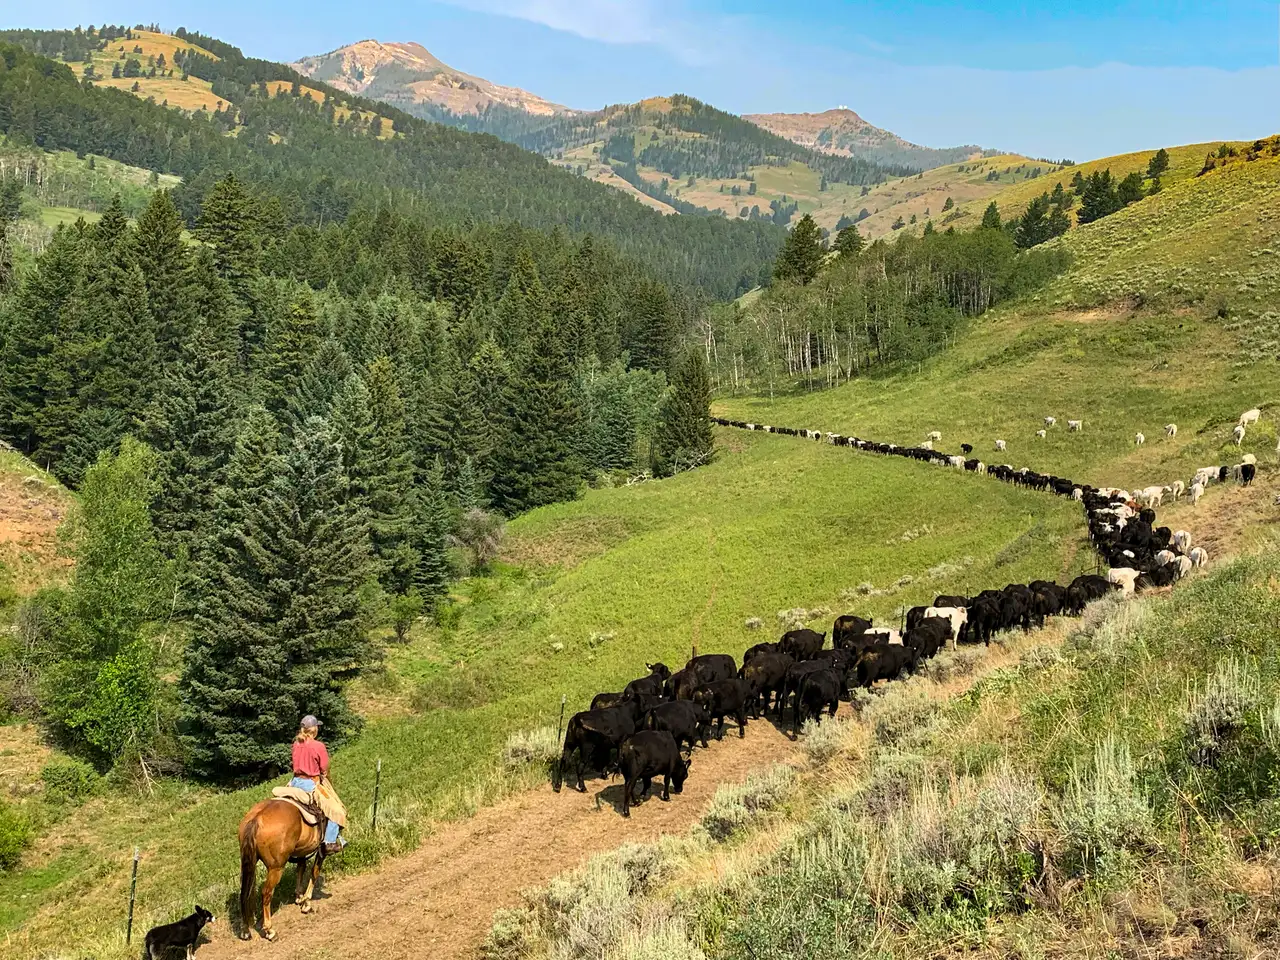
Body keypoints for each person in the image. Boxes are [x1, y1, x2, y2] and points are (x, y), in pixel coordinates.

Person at [288, 715, 347, 853]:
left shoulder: (296, 744)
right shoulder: (318, 746)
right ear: (314, 730)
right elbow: (324, 768)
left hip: (294, 782)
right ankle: (329, 842)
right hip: (310, 784)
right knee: (337, 811)